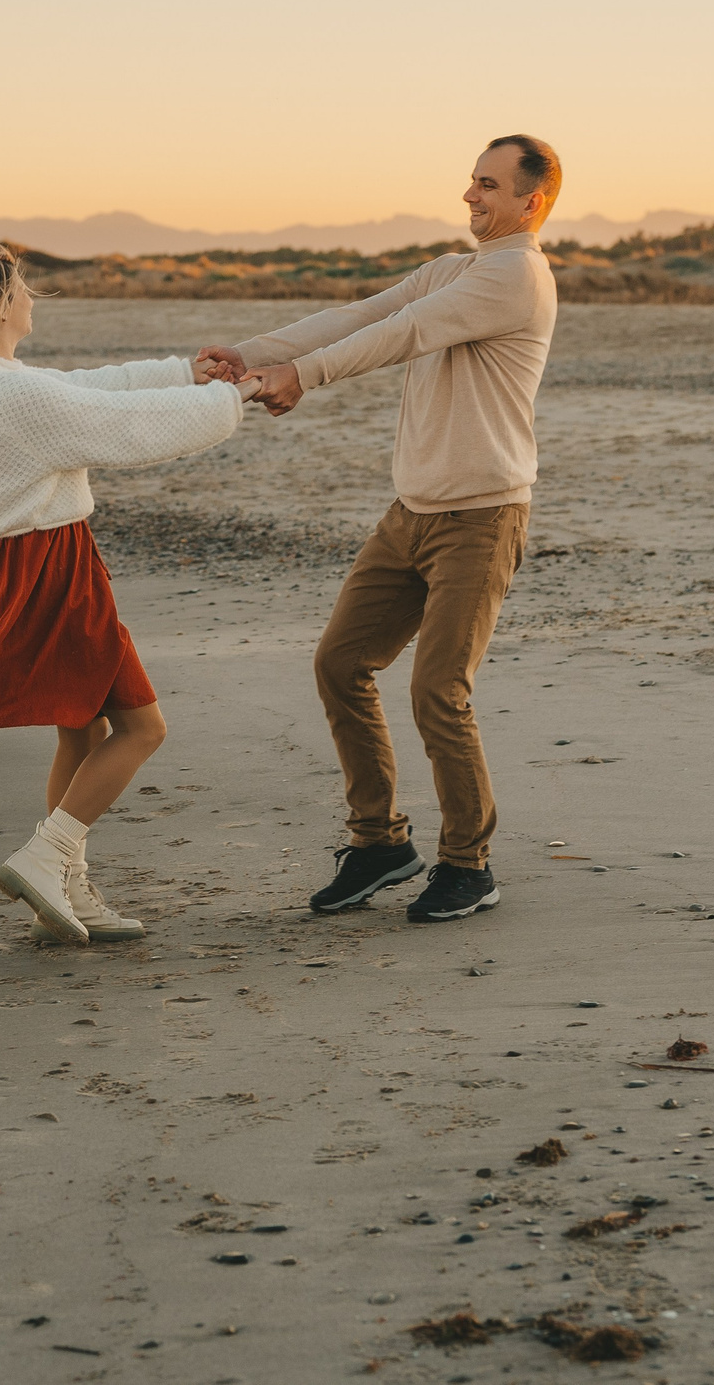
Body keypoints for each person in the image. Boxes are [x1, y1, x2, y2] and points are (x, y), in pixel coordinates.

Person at [196, 135, 562, 924]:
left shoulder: (515, 276)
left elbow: (401, 334)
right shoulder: (452, 269)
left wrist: (304, 376)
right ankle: (380, 844)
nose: (471, 195)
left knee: (438, 688)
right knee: (341, 662)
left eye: (490, 185)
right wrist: (253, 353)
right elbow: (364, 313)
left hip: (482, 515)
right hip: (411, 514)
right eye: (471, 180)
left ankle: (469, 864)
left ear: (530, 202)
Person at [0, 241, 253, 944]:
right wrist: (230, 399)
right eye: (24, 286)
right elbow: (118, 427)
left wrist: (184, 371)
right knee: (143, 727)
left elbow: (85, 391)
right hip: (48, 567)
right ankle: (47, 854)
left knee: (83, 725)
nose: (33, 296)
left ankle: (62, 887)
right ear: (1, 303)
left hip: (24, 562)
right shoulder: (8, 391)